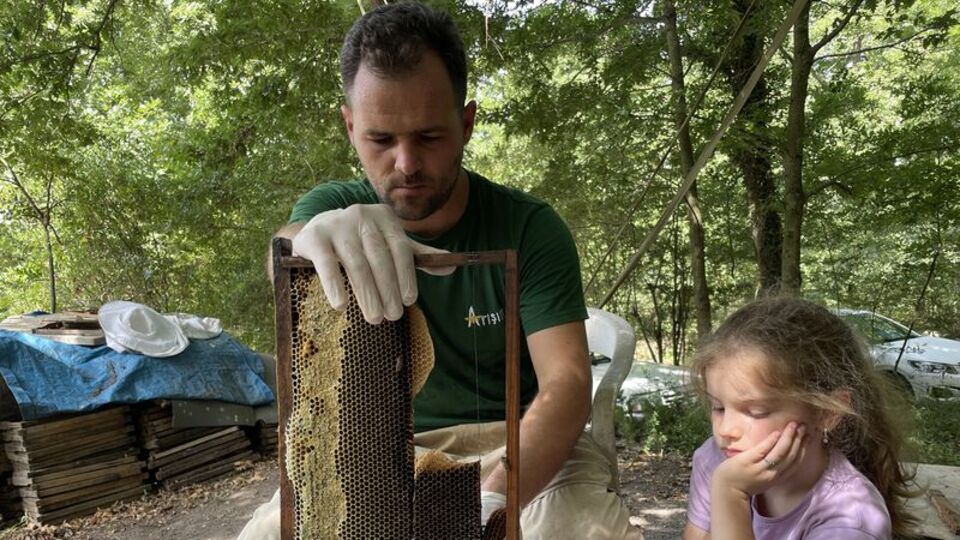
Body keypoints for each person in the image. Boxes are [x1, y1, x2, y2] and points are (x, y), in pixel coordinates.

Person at [238, 3, 641, 539]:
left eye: (429, 137)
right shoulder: (332, 205)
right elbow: (285, 252)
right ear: (351, 126)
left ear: (466, 123)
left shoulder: (529, 227)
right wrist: (300, 244)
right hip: (376, 452)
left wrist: (496, 496)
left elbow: (566, 382)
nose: (406, 164)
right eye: (381, 140)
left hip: (521, 443)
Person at [682, 297, 917, 540]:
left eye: (756, 411)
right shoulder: (716, 460)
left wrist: (730, 495)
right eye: (718, 407)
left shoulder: (851, 519)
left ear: (826, 412)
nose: (725, 430)